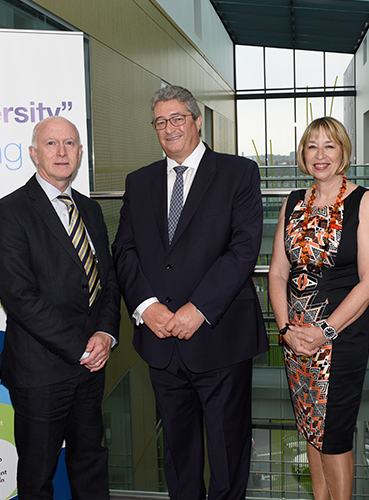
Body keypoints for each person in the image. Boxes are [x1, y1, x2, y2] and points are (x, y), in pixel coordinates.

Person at [111, 85, 267, 500]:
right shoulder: (139, 182)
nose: (169, 128)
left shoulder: (239, 173)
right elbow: (124, 250)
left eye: (178, 118)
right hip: (160, 341)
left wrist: (199, 309)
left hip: (219, 337)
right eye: (160, 122)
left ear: (198, 121)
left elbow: (243, 249)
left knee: (227, 451)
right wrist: (147, 308)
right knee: (178, 456)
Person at [0, 115, 121, 499]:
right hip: (40, 371)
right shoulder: (8, 212)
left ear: (80, 153)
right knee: (37, 475)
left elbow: (107, 280)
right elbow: (19, 298)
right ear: (33, 153)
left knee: (91, 463)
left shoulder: (90, 210)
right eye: (51, 143)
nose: (61, 152)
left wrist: (106, 335)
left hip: (92, 365)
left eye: (70, 143)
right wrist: (80, 348)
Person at [267, 117, 369, 500]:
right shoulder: (292, 203)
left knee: (333, 437)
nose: (320, 155)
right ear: (303, 155)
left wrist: (323, 332)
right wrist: (286, 331)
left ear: (343, 153)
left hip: (338, 341)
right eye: (312, 146)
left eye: (329, 146)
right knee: (310, 430)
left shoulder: (365, 202)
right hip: (297, 344)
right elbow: (276, 273)